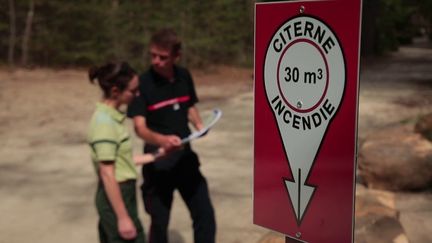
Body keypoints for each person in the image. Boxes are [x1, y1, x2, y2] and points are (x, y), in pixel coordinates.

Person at [127, 29, 216, 243]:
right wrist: (163, 141)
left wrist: (200, 124)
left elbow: (188, 106)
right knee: (159, 222)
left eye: (163, 57)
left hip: (185, 157)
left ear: (176, 56)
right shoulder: (143, 83)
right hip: (158, 160)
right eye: (153, 55)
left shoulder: (184, 76)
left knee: (205, 215)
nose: (156, 61)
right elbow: (139, 128)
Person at [87, 61, 164, 243]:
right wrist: (122, 218)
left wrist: (157, 155)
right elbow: (107, 174)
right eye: (133, 90)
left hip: (122, 193)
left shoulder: (111, 119)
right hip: (117, 196)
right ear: (115, 91)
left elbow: (122, 162)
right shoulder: (104, 125)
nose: (138, 94)